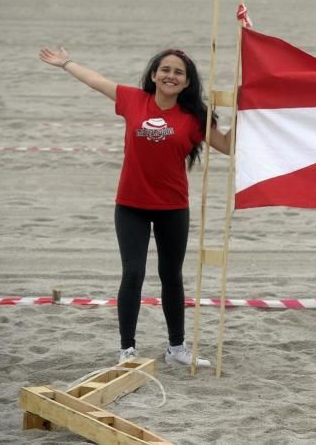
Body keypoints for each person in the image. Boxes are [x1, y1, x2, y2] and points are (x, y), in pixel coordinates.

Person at [39, 46, 231, 367]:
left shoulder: (194, 118)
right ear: (154, 75)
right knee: (133, 273)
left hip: (172, 208)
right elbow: (96, 81)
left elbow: (227, 145)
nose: (171, 76)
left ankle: (176, 349)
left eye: (179, 72)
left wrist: (250, 111)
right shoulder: (133, 100)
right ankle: (127, 350)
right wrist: (66, 63)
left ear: (186, 83)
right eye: (165, 70)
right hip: (131, 205)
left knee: (171, 275)